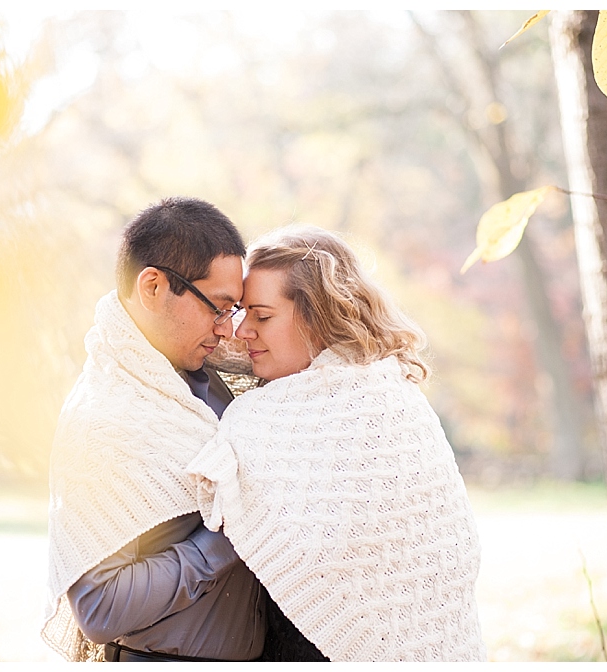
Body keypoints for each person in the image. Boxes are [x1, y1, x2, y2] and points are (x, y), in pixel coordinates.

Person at [188, 225, 487, 662]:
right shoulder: (286, 406)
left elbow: (449, 547)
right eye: (240, 313)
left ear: (317, 316)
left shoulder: (389, 401)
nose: (242, 331)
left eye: (262, 316)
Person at [41, 197, 266, 662]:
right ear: (153, 287)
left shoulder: (217, 382)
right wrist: (231, 533)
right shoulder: (103, 422)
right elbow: (99, 608)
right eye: (217, 308)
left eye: (234, 312)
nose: (227, 331)